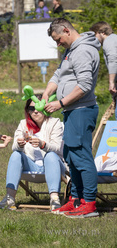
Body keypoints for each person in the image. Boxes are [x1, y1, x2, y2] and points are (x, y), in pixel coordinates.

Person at [43, 18, 101, 218]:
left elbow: (84, 85)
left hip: (81, 110)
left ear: (66, 30)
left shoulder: (84, 50)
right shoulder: (71, 50)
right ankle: (75, 200)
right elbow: (59, 74)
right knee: (71, 156)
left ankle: (89, 203)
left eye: (59, 39)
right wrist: (47, 91)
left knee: (81, 157)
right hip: (72, 111)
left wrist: (60, 103)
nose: (58, 44)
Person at [0, 94, 65, 211]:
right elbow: (14, 146)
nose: (35, 111)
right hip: (31, 165)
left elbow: (58, 147)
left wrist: (42, 144)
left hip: (54, 166)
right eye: (31, 108)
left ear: (45, 108)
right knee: (16, 154)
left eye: (38, 108)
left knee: (51, 155)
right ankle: (9, 198)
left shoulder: (55, 123)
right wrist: (19, 144)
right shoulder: (24, 124)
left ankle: (54, 199)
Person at [90, 21, 117, 118]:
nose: (95, 39)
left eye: (95, 35)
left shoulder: (108, 41)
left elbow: (113, 60)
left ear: (101, 32)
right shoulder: (114, 38)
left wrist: (111, 82)